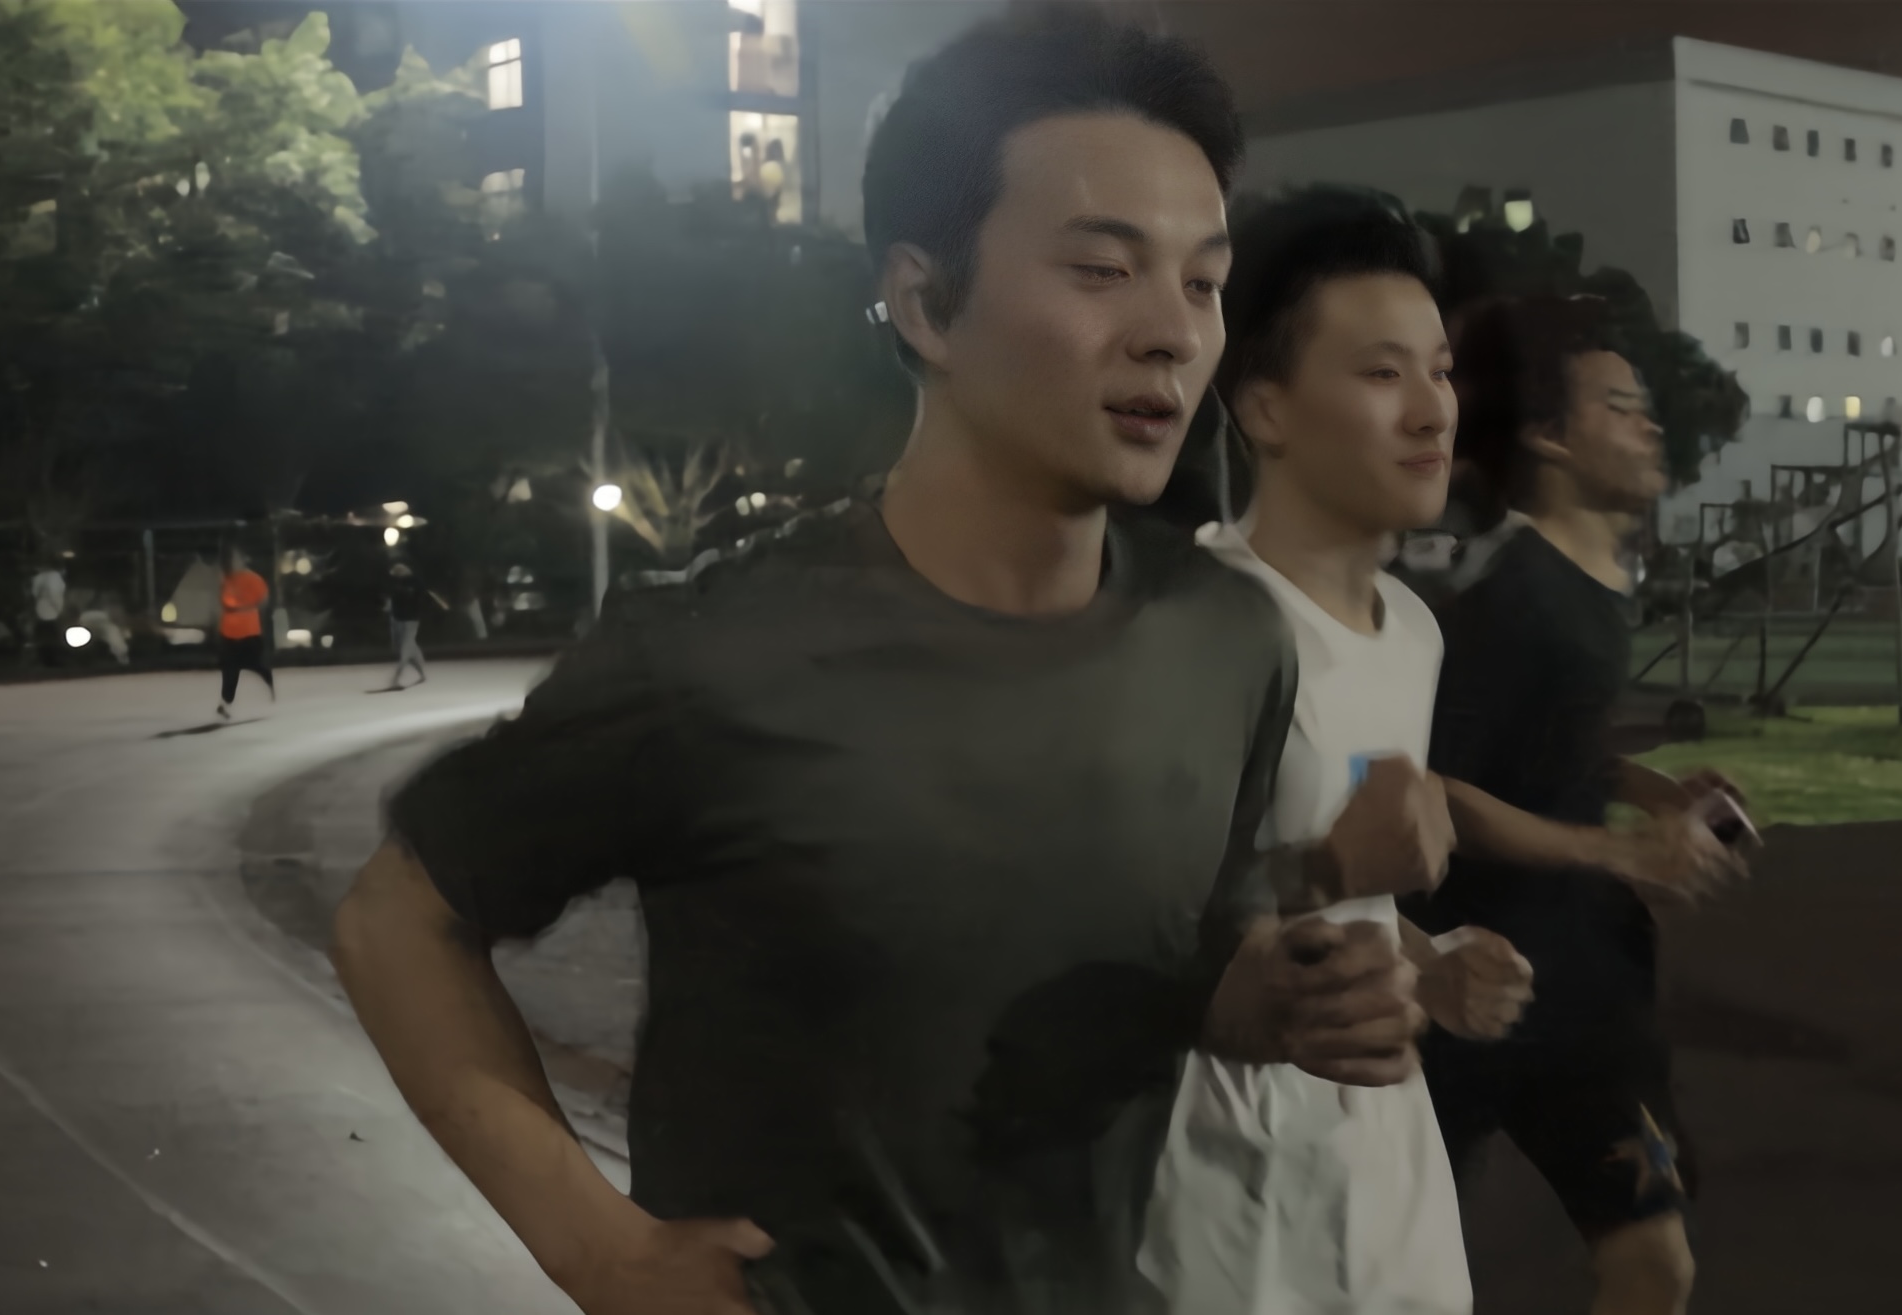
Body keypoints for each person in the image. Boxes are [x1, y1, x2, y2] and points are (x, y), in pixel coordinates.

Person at [332, 15, 1446, 1315]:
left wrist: (1285, 1001)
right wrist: (602, 1251)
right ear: (924, 303)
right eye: (1102, 269)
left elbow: (1193, 956)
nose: (1171, 333)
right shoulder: (716, 651)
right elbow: (396, 921)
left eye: (1202, 284)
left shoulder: (1226, 639)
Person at [1139, 186, 1533, 1315]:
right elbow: (1133, 915)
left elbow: (1352, 908)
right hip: (1232, 1203)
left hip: (1386, 1171)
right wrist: (1331, 870)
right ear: (1265, 406)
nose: (1431, 410)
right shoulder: (1196, 624)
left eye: (1439, 372)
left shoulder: (1410, 631)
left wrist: (1427, 958)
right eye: (1381, 373)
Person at [1414, 294, 1748, 1315]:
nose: (1649, 425)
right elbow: (1438, 786)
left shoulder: (1592, 583)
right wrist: (1622, 855)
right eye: (1620, 405)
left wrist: (1647, 786)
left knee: (1655, 1260)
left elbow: (1542, 744)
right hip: (1469, 991)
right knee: (1398, 1279)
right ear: (1551, 437)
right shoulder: (1508, 596)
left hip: (1584, 998)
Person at [215, 547, 273, 718]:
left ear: (243, 560)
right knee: (229, 669)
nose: (232, 563)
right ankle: (226, 703)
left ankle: (267, 678)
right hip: (229, 632)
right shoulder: (227, 580)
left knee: (255, 664)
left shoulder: (254, 579)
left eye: (235, 559)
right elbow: (224, 601)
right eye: (230, 560)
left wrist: (244, 609)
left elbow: (263, 601)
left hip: (249, 632)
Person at [381, 561, 450, 690]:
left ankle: (395, 680)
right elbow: (393, 598)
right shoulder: (397, 583)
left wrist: (439, 605)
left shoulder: (415, 582)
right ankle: (422, 674)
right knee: (409, 649)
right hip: (398, 619)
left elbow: (422, 596)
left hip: (411, 620)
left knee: (405, 650)